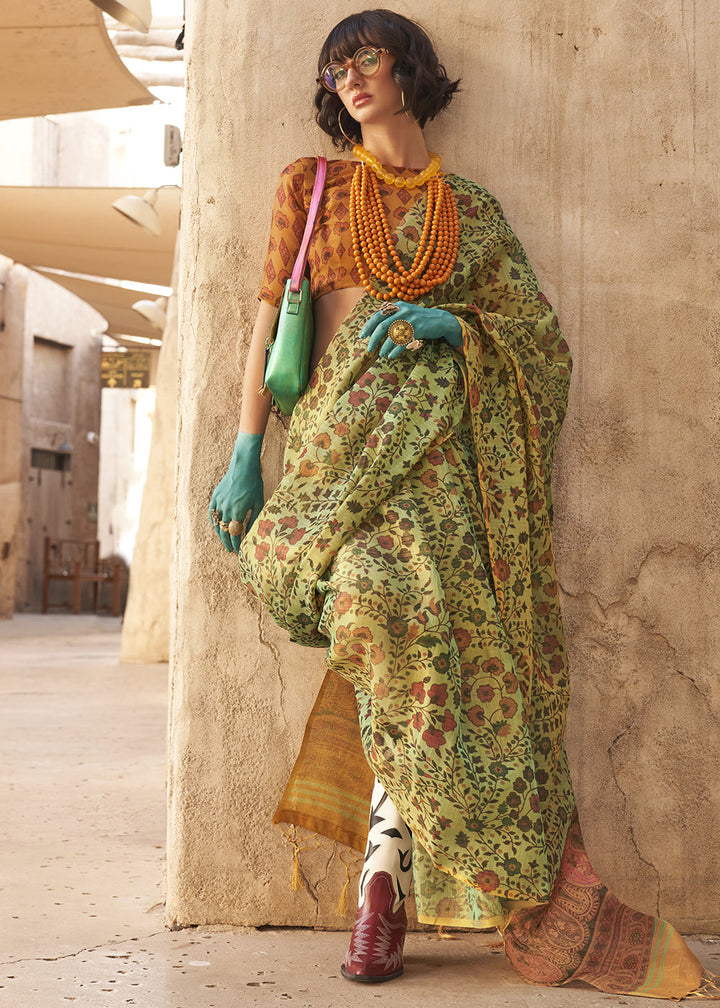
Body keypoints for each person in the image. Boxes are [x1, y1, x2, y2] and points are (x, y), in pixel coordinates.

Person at [209, 9, 718, 999]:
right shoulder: (312, 189)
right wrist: (243, 456)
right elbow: (267, 320)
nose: (352, 77)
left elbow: (538, 346)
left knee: (431, 656)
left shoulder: (470, 212)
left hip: (449, 480)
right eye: (337, 67)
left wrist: (457, 328)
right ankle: (394, 873)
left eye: (368, 57)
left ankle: (381, 883)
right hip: (334, 465)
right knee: (367, 607)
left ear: (411, 69)